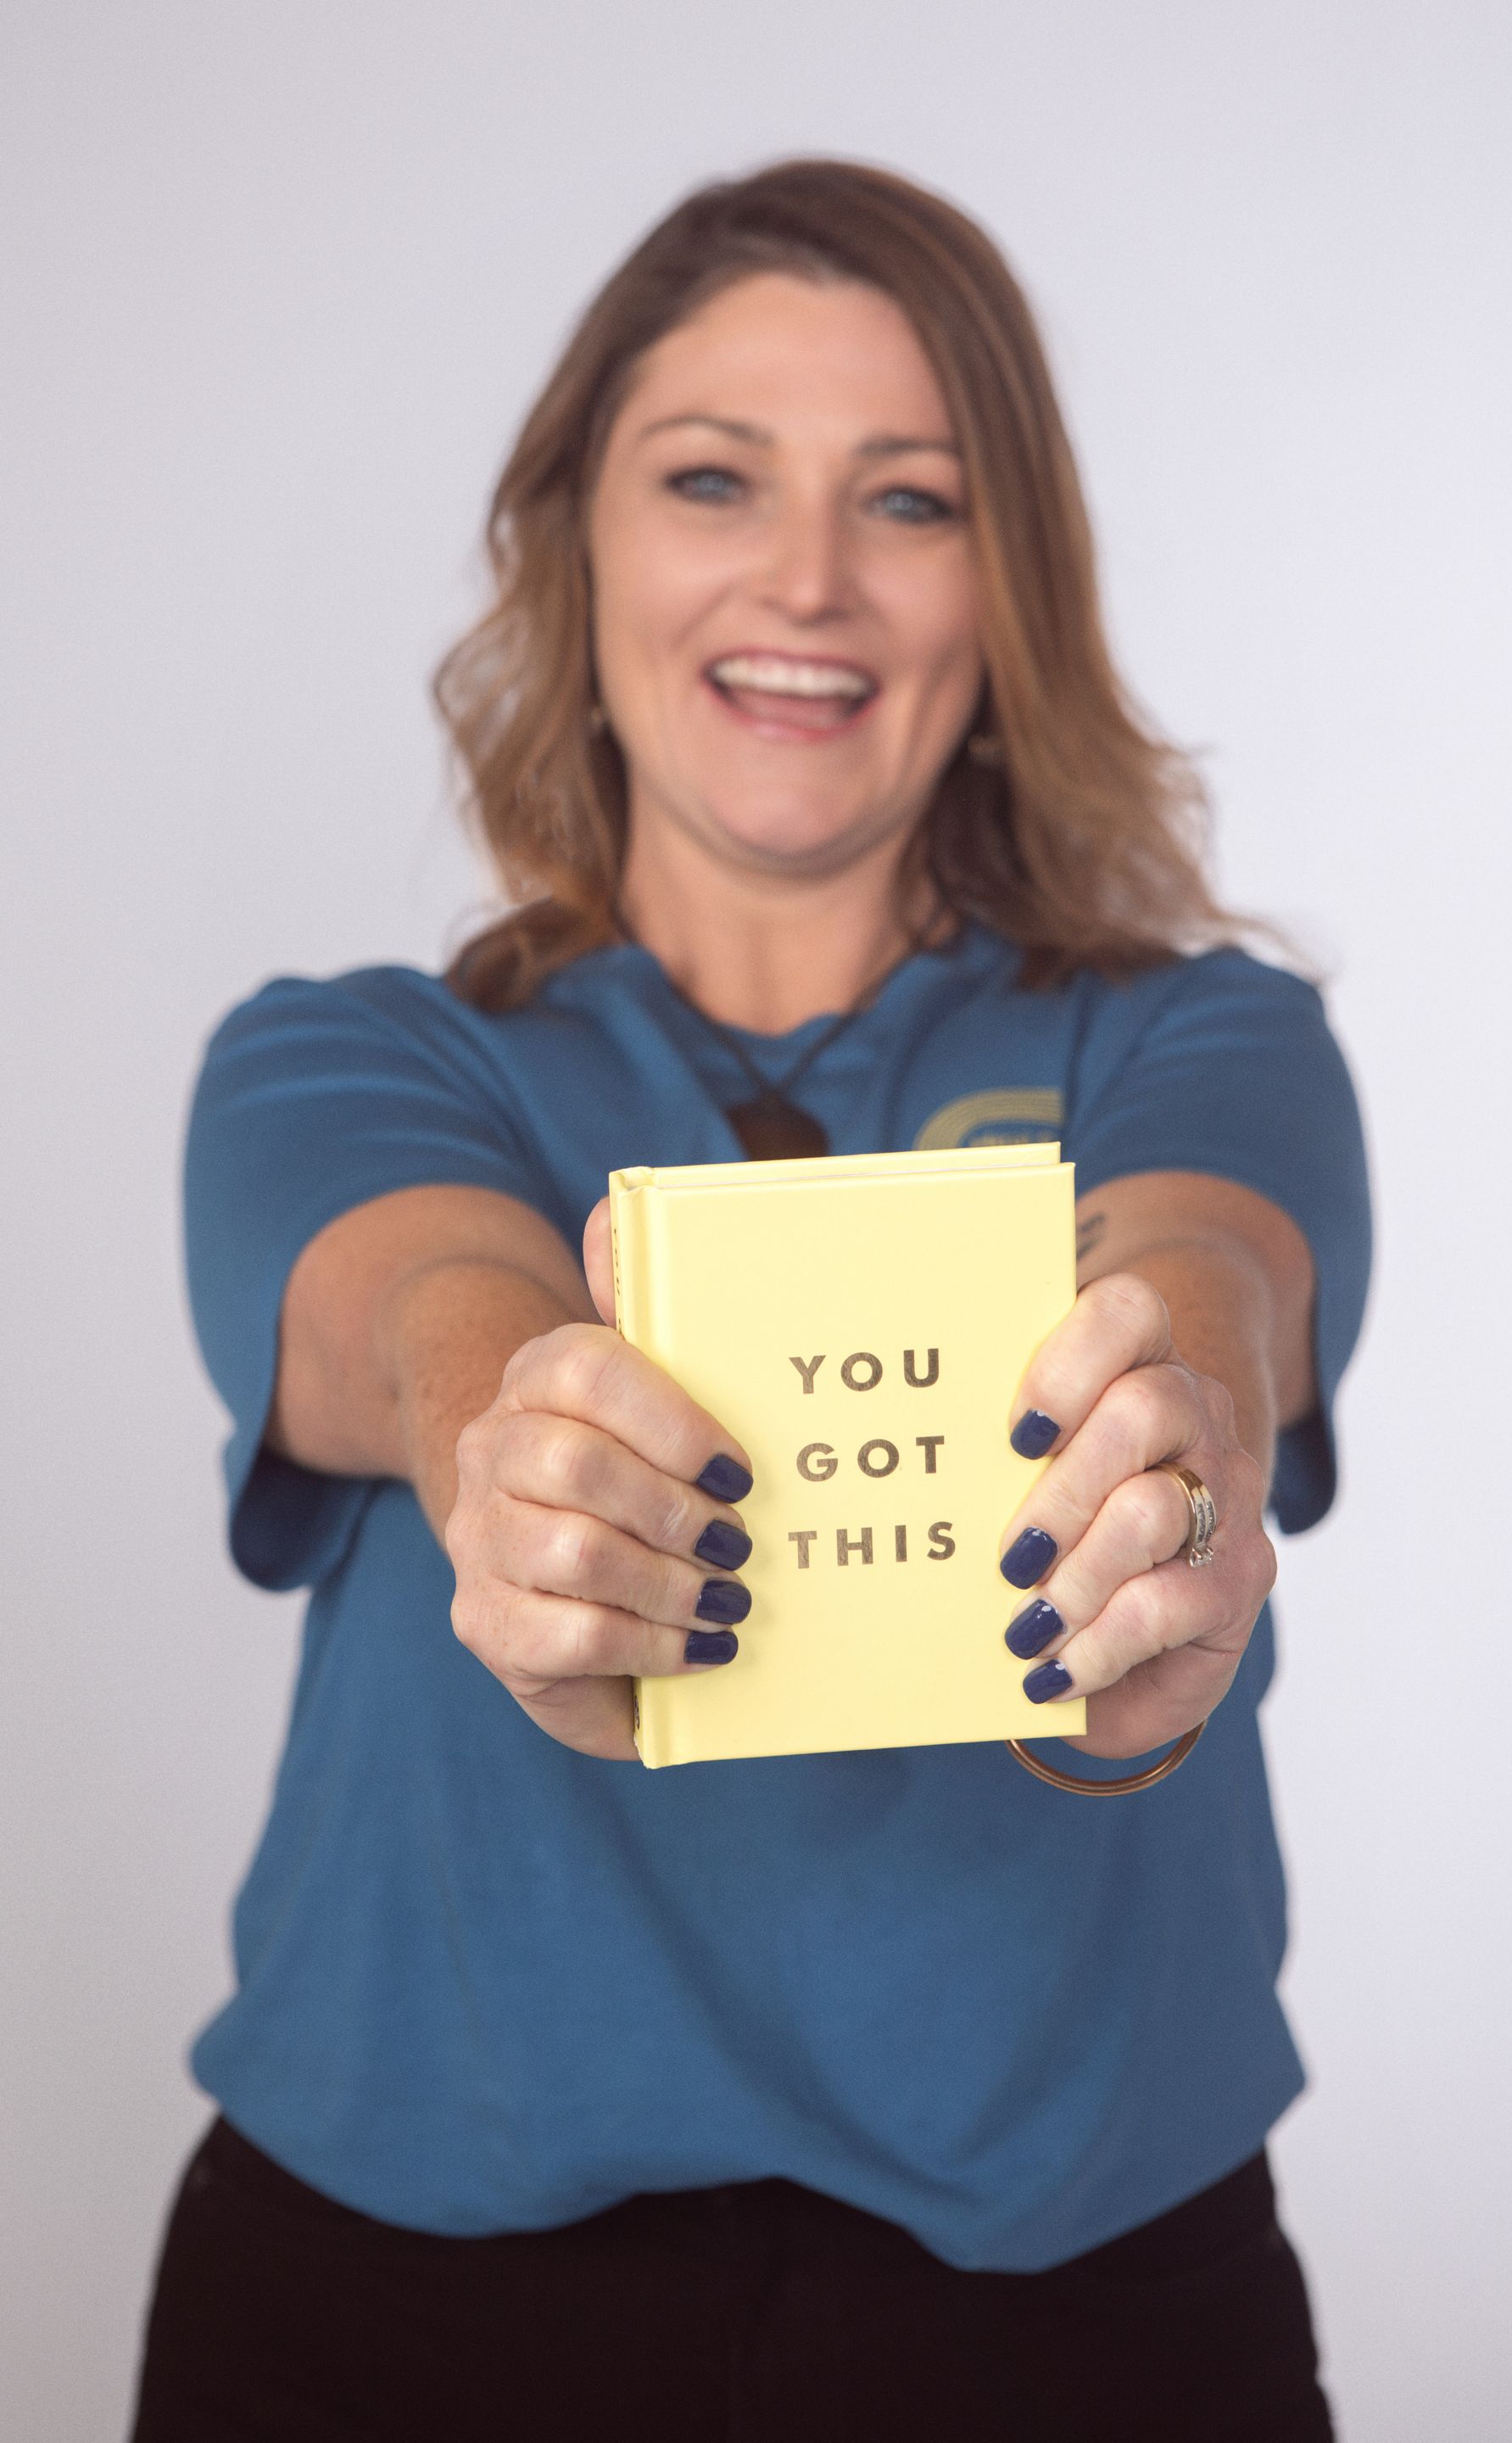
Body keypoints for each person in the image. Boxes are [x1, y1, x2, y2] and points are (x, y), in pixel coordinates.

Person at [131, 159, 1370, 2441]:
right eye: (714, 479)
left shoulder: (1198, 1043)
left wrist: (1168, 1432)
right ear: (571, 544)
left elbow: (1215, 1271)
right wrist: (523, 1444)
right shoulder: (358, 1056)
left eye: (910, 499)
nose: (807, 577)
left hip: (1088, 2320)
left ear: (1009, 586)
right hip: (396, 2312)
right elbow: (412, 1298)